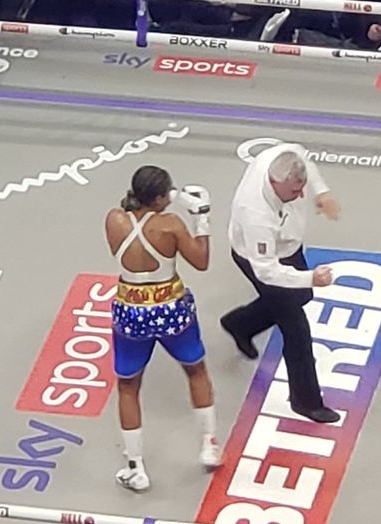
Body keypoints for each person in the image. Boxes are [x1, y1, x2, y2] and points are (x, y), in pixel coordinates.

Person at [104, 165, 221, 492]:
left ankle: (135, 467)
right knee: (196, 371)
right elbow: (201, 260)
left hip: (131, 312)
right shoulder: (170, 226)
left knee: (128, 386)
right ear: (159, 198)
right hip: (170, 309)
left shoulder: (114, 219)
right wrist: (202, 219)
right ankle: (209, 445)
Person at [222, 144, 342, 423]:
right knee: (296, 329)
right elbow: (266, 272)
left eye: (302, 189)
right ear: (274, 183)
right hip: (258, 259)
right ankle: (306, 401)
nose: (300, 195)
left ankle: (241, 323)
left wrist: (321, 191)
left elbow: (304, 158)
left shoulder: (282, 157)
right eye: (294, 191)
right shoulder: (255, 214)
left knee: (301, 296)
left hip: (288, 247)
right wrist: (311, 278)